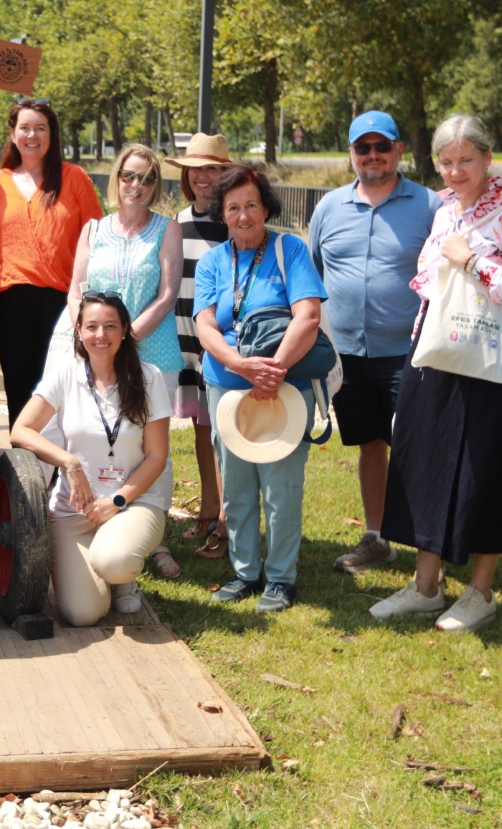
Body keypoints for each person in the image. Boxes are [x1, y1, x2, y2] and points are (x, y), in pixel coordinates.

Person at [370, 114, 502, 633]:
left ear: (489, 158)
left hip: (487, 362)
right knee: (422, 460)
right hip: (433, 352)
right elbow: (427, 278)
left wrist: (472, 263)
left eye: (466, 160)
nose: (455, 171)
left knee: (483, 468)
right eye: (446, 162)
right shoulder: (444, 211)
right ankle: (426, 585)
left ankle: (480, 591)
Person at [308, 111, 441, 575]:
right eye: (362, 148)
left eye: (381, 146)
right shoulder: (328, 208)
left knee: (416, 445)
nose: (372, 156)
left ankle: (429, 543)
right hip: (347, 355)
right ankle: (377, 536)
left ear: (399, 150)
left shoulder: (429, 206)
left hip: (410, 352)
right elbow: (313, 274)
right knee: (369, 445)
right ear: (351, 154)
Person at [195, 165, 327, 613]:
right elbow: (205, 323)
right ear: (223, 214)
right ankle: (245, 571)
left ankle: (281, 578)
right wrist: (237, 364)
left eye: (251, 204)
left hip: (285, 389)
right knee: (235, 483)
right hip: (227, 388)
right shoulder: (214, 261)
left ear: (265, 206)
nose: (244, 215)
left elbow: (307, 315)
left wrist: (273, 369)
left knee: (281, 484)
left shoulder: (290, 249)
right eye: (233, 207)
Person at [10, 292, 172, 626]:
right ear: (79, 331)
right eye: (92, 327)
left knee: (113, 561)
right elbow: (21, 430)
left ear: (125, 330)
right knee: (82, 614)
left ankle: (122, 574)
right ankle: (108, 570)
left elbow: (157, 457)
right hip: (75, 508)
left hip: (133, 502)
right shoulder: (65, 374)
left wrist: (117, 500)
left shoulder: (149, 377)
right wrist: (68, 462)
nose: (101, 335)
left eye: (110, 326)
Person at [59, 144, 182, 579]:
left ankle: (155, 536)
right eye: (130, 176)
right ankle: (98, 517)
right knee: (102, 436)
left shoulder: (167, 230)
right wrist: (88, 334)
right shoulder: (94, 229)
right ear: (116, 178)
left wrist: (126, 338)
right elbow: (76, 289)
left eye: (148, 179)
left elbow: (167, 295)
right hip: (97, 346)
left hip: (151, 348)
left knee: (152, 448)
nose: (137, 186)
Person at [0, 99, 103, 427]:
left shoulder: (74, 178)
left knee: (62, 389)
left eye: (40, 128)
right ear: (13, 134)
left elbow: (96, 237)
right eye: (25, 128)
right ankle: (25, 467)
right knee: (21, 389)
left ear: (52, 134)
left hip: (64, 301)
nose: (32, 135)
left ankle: (60, 467)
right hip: (11, 299)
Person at [164, 133, 232, 560]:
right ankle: (208, 511)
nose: (204, 177)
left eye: (213, 169)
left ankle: (228, 522)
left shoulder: (234, 221)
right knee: (201, 429)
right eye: (197, 169)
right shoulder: (177, 221)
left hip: (219, 338)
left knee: (225, 431)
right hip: (181, 336)